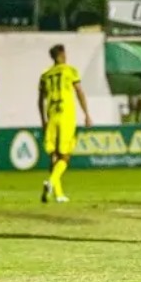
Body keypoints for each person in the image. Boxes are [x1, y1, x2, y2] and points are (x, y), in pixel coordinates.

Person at [38, 44, 92, 203]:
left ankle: (58, 194)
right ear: (62, 55)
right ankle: (51, 182)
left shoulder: (45, 75)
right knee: (65, 157)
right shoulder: (70, 71)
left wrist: (43, 120)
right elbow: (79, 92)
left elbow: (40, 101)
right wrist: (87, 114)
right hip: (66, 117)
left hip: (51, 117)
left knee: (54, 156)